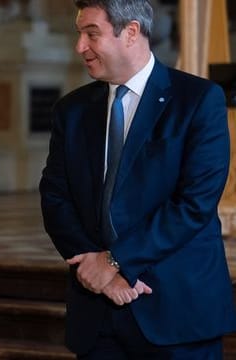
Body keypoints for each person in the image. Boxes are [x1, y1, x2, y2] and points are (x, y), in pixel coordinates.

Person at [39, 0, 236, 358]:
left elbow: (193, 204)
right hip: (97, 315)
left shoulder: (198, 100)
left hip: (176, 311)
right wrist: (96, 269)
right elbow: (55, 196)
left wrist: (115, 262)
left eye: (91, 34)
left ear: (130, 32)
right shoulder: (72, 110)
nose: (80, 47)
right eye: (79, 34)